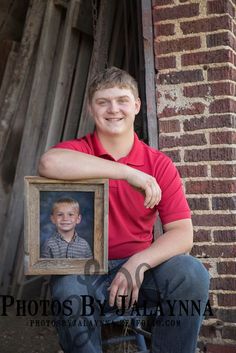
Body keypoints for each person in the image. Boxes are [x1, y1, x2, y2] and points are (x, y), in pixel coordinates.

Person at [38, 67, 210, 353]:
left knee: (191, 273)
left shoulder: (158, 164)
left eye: (121, 100)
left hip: (140, 273)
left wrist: (138, 263)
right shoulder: (79, 151)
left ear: (137, 106)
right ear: (92, 108)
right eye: (103, 101)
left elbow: (182, 234)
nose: (113, 109)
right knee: (68, 289)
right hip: (86, 272)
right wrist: (126, 172)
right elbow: (48, 164)